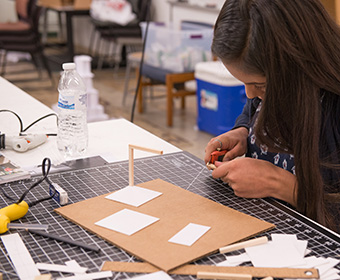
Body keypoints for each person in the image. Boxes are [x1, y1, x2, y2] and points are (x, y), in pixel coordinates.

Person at [204, 0, 340, 233]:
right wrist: (243, 131)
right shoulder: (274, 79)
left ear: (299, 63)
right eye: (244, 83)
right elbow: (253, 107)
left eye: (260, 85)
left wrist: (282, 186)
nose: (249, 94)